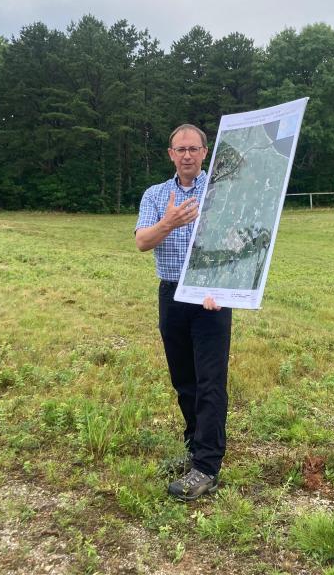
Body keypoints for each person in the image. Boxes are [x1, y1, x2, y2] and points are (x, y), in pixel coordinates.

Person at [135, 124, 232, 501]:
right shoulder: (156, 195)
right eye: (181, 149)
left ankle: (207, 466)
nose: (188, 155)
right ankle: (195, 444)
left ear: (205, 152)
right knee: (184, 379)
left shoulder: (221, 192)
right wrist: (168, 223)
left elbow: (237, 242)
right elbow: (143, 241)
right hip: (172, 293)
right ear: (170, 154)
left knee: (210, 381)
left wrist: (221, 286)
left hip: (212, 296)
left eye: (194, 148)